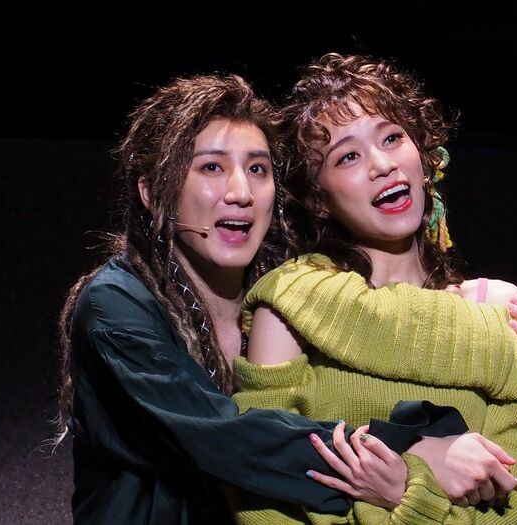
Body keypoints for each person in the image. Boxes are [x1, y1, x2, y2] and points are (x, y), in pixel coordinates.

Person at [55, 72, 488, 525]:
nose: (241, 193)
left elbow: (398, 357)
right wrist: (402, 453)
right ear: (152, 192)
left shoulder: (289, 293)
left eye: (257, 169)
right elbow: (225, 439)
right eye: (211, 167)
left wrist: (515, 344)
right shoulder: (116, 308)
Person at [232, 53, 517, 524]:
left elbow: (512, 502)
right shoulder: (291, 300)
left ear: (424, 156)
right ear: (318, 198)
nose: (382, 164)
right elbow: (261, 489)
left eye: (392, 137)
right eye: (348, 156)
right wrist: (414, 462)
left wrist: (407, 496)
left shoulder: (498, 310)